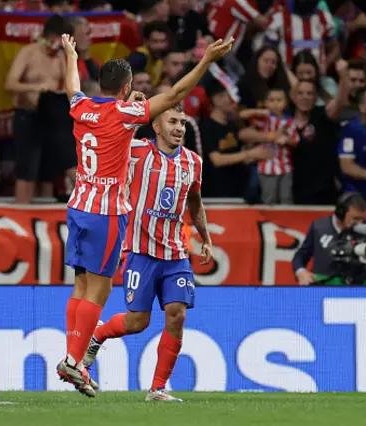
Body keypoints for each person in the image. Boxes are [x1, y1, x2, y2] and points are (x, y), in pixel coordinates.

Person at [58, 33, 235, 397]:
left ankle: (80, 361)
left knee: (81, 286)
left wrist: (71, 55)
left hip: (78, 206)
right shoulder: (128, 121)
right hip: (106, 213)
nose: (178, 125)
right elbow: (173, 95)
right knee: (100, 290)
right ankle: (75, 362)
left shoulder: (80, 106)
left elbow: (72, 87)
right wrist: (206, 61)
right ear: (125, 88)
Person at [81, 104, 211, 402]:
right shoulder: (137, 152)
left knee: (176, 315)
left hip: (176, 253)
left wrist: (206, 237)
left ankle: (157, 388)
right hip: (140, 251)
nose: (179, 128)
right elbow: (111, 136)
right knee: (137, 322)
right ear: (155, 126)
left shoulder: (193, 162)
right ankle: (98, 335)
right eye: (172, 121)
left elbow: (195, 202)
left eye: (182, 123)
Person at [5, 14, 76, 203]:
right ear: (49, 36)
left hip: (52, 117)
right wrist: (36, 87)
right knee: (26, 169)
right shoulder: (28, 53)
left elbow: (68, 85)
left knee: (54, 167)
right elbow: (10, 84)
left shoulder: (61, 57)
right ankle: (22, 210)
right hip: (27, 115)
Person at [292, 192, 366, 286]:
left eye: (363, 219)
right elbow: (300, 256)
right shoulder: (319, 227)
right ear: (340, 213)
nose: (360, 223)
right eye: (355, 218)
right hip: (323, 287)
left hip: (356, 289)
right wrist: (301, 272)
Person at [239, 88, 299, 204]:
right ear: (265, 102)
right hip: (266, 165)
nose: (275, 103)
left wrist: (286, 139)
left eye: (279, 100)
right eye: (271, 100)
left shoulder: (290, 122)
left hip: (285, 166)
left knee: (286, 198)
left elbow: (295, 141)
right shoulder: (263, 119)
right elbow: (241, 115)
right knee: (269, 198)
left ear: (286, 103)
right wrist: (259, 111)